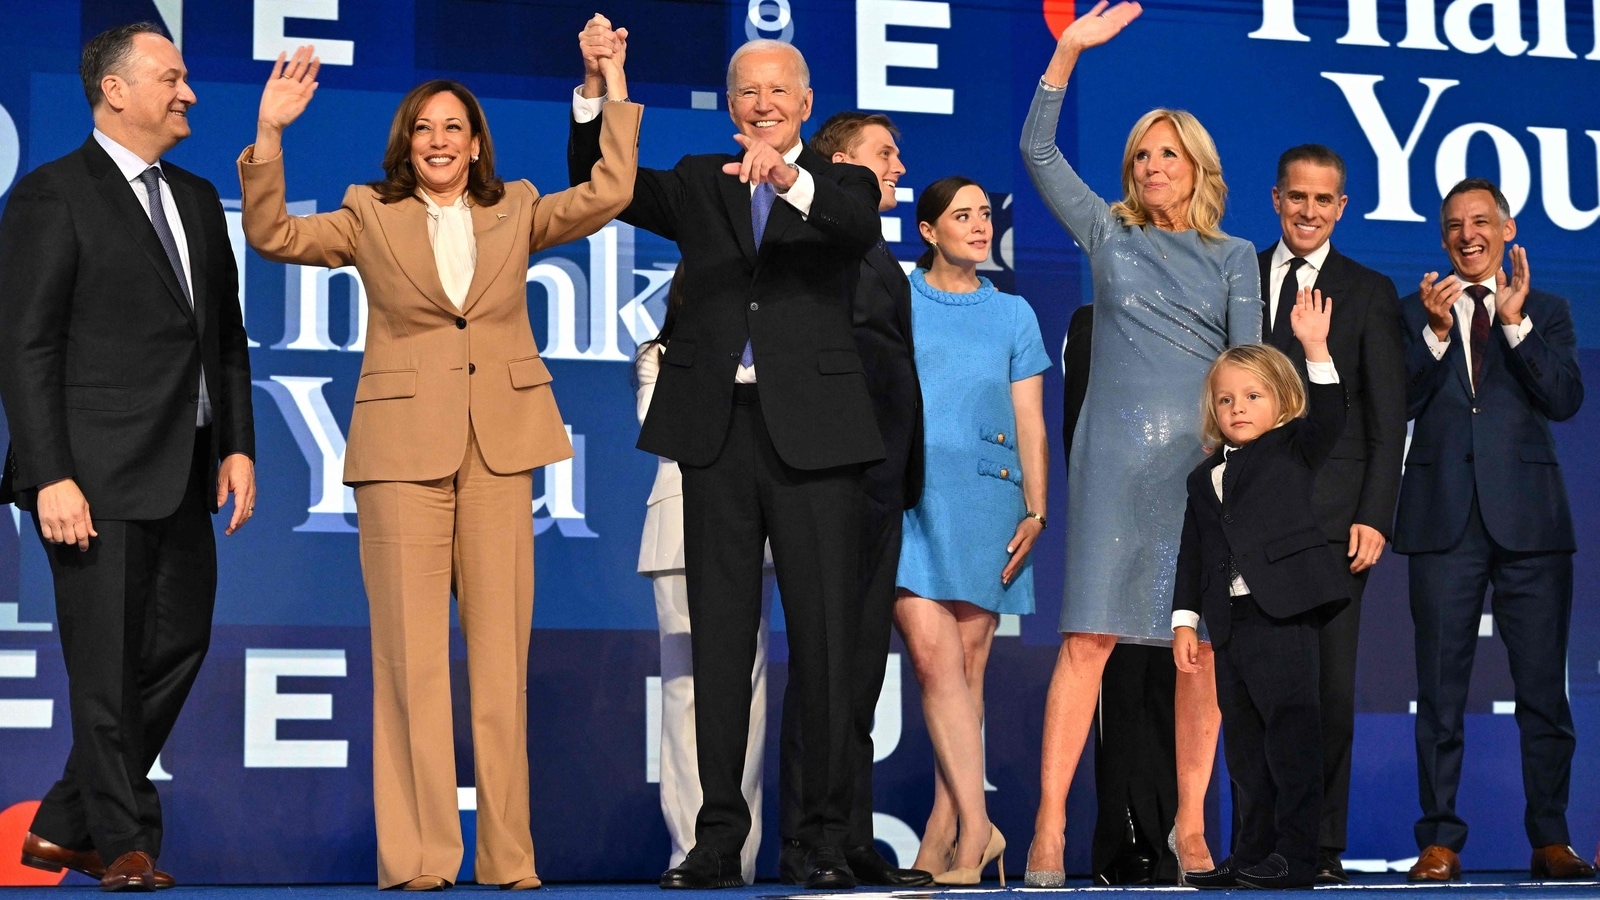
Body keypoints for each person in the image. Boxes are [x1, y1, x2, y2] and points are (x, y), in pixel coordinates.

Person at [237, 30, 640, 889]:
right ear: (406, 142)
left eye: (454, 127)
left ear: (477, 141)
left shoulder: (517, 208)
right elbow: (271, 234)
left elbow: (612, 188)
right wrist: (270, 135)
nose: (440, 141)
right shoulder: (365, 213)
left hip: (499, 451)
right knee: (410, 663)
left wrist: (610, 82)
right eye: (425, 128)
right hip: (398, 458)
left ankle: (508, 858)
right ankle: (420, 859)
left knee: (501, 666)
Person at [568, 28, 886, 891]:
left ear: (806, 104)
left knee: (823, 642)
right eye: (748, 90)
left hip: (815, 438)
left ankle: (819, 840)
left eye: (780, 90)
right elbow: (608, 187)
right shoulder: (701, 180)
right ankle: (716, 838)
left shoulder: (844, 181)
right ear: (731, 101)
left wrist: (788, 178)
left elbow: (855, 226)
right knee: (718, 643)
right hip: (716, 428)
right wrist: (604, 87)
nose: (764, 103)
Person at [0, 22, 256, 891]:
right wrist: (49, 474)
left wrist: (237, 446)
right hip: (90, 476)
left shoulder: (193, 195)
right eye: (171, 78)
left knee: (180, 644)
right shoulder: (52, 195)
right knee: (104, 669)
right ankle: (124, 843)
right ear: (116, 91)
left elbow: (225, 338)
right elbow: (26, 348)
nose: (188, 93)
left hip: (184, 469)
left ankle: (63, 823)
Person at [1018, 1, 1261, 884]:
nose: (1152, 165)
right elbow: (1039, 154)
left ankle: (1191, 826)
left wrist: (1242, 468)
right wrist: (1067, 53)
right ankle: (1048, 827)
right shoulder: (1106, 232)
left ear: (1196, 165)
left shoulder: (1236, 255)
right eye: (1141, 155)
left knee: (1195, 650)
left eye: (1167, 153)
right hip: (1116, 463)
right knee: (1088, 639)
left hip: (1198, 471)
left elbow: (1249, 370)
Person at [1395, 177, 1591, 883]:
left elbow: (1564, 398)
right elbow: (1398, 403)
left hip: (1531, 525)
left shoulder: (1549, 309)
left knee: (1544, 691)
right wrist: (1437, 336)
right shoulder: (1414, 312)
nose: (1467, 234)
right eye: (1453, 224)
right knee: (1440, 693)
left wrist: (1514, 324)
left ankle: (1551, 837)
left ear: (1507, 231)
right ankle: (1439, 841)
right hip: (1443, 520)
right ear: (1443, 236)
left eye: (1481, 221)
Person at [775, 112, 932, 888]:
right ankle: (811, 841)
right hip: (831, 478)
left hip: (880, 484)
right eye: (885, 154)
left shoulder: (879, 256)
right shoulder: (818, 244)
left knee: (862, 668)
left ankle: (851, 831)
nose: (898, 166)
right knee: (826, 666)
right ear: (838, 163)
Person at [894, 176, 1051, 886]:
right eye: (962, 215)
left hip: (990, 501)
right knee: (932, 660)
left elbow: (1030, 422)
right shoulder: (895, 295)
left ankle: (948, 830)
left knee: (967, 668)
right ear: (927, 230)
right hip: (908, 497)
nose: (980, 225)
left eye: (986, 214)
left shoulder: (1014, 313)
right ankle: (978, 824)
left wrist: (1037, 509)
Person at [1256, 143, 1406, 884]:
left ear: (1342, 208)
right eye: (1298, 198)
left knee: (1328, 692)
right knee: (1256, 695)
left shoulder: (1370, 292)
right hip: (1250, 523)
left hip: (1336, 524)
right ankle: (1257, 845)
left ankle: (1318, 845)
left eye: (1325, 201)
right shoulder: (1239, 274)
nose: (1309, 212)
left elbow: (1388, 418)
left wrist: (1375, 514)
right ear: (1276, 199)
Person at [1172, 293, 1348, 890]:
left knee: (1291, 740)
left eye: (1253, 396)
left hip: (1285, 615)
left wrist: (1317, 348)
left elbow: (1329, 417)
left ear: (1282, 402)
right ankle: (1252, 854)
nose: (1238, 407)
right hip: (1231, 623)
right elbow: (1193, 552)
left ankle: (1296, 859)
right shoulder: (1203, 478)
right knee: (1244, 749)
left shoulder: (1292, 445)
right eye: (1226, 399)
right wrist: (1184, 621)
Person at [636, 274, 773, 886]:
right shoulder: (658, 356)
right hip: (678, 532)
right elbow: (668, 430)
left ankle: (736, 853)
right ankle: (688, 847)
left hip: (747, 533)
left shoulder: (767, 354)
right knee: (685, 695)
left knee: (747, 692)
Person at [1069, 303, 1181, 887]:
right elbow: (1077, 437)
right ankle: (1124, 836)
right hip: (1117, 531)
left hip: (1189, 525)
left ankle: (1175, 839)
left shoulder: (1206, 308)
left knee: (1177, 690)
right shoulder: (1093, 321)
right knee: (1120, 689)